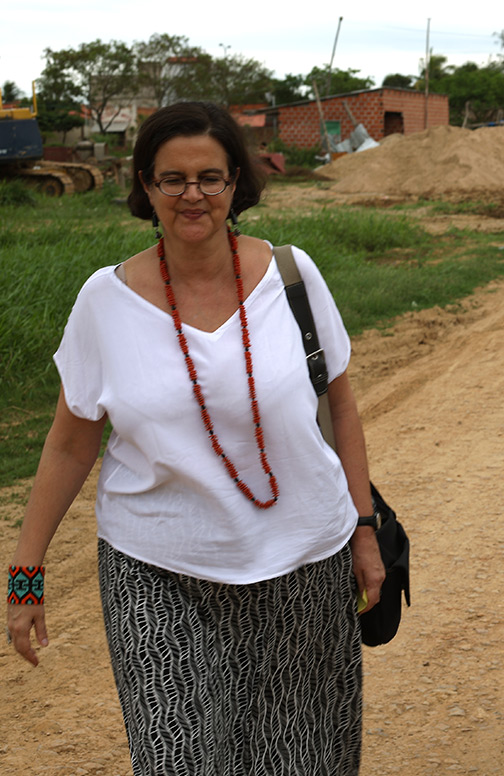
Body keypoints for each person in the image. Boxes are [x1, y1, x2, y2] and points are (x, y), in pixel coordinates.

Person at [5, 101, 384, 775]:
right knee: (177, 759)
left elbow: (342, 409)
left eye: (210, 177)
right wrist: (26, 577)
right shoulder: (104, 301)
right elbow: (69, 443)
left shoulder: (293, 276)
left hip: (303, 563)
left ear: (237, 182)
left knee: (302, 759)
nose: (192, 195)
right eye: (171, 179)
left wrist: (363, 530)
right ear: (145, 187)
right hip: (157, 570)